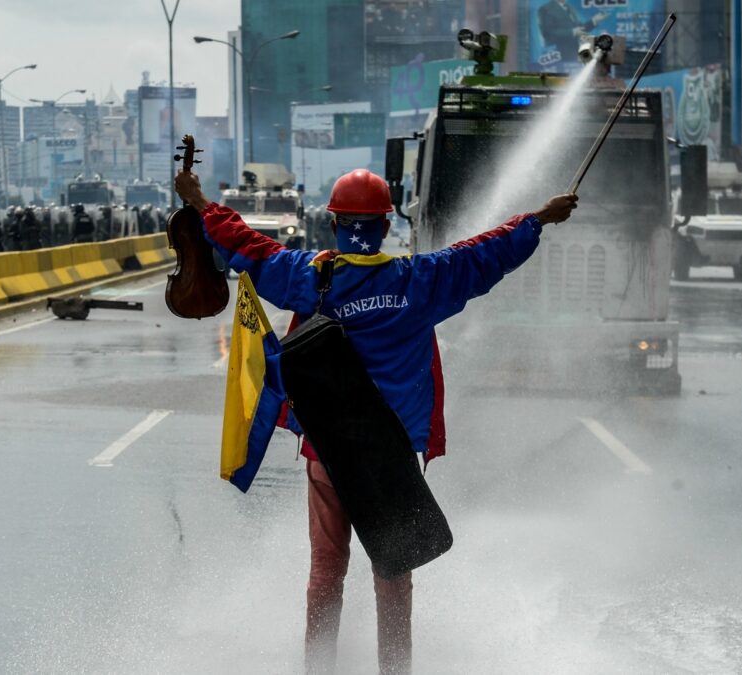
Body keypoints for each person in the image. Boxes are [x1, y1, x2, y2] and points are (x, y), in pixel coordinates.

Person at [174, 167, 578, 675]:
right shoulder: (421, 281)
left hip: (328, 455)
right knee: (394, 575)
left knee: (325, 573)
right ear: (386, 227)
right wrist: (538, 218)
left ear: (335, 223)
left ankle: (318, 668)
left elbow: (248, 248)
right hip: (393, 460)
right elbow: (485, 254)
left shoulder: (311, 277)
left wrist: (199, 199)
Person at [537, 0, 605, 65]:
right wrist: (572, 32)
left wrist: (594, 21)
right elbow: (548, 33)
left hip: (573, 54)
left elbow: (579, 28)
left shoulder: (568, 6)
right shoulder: (545, 9)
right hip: (557, 55)